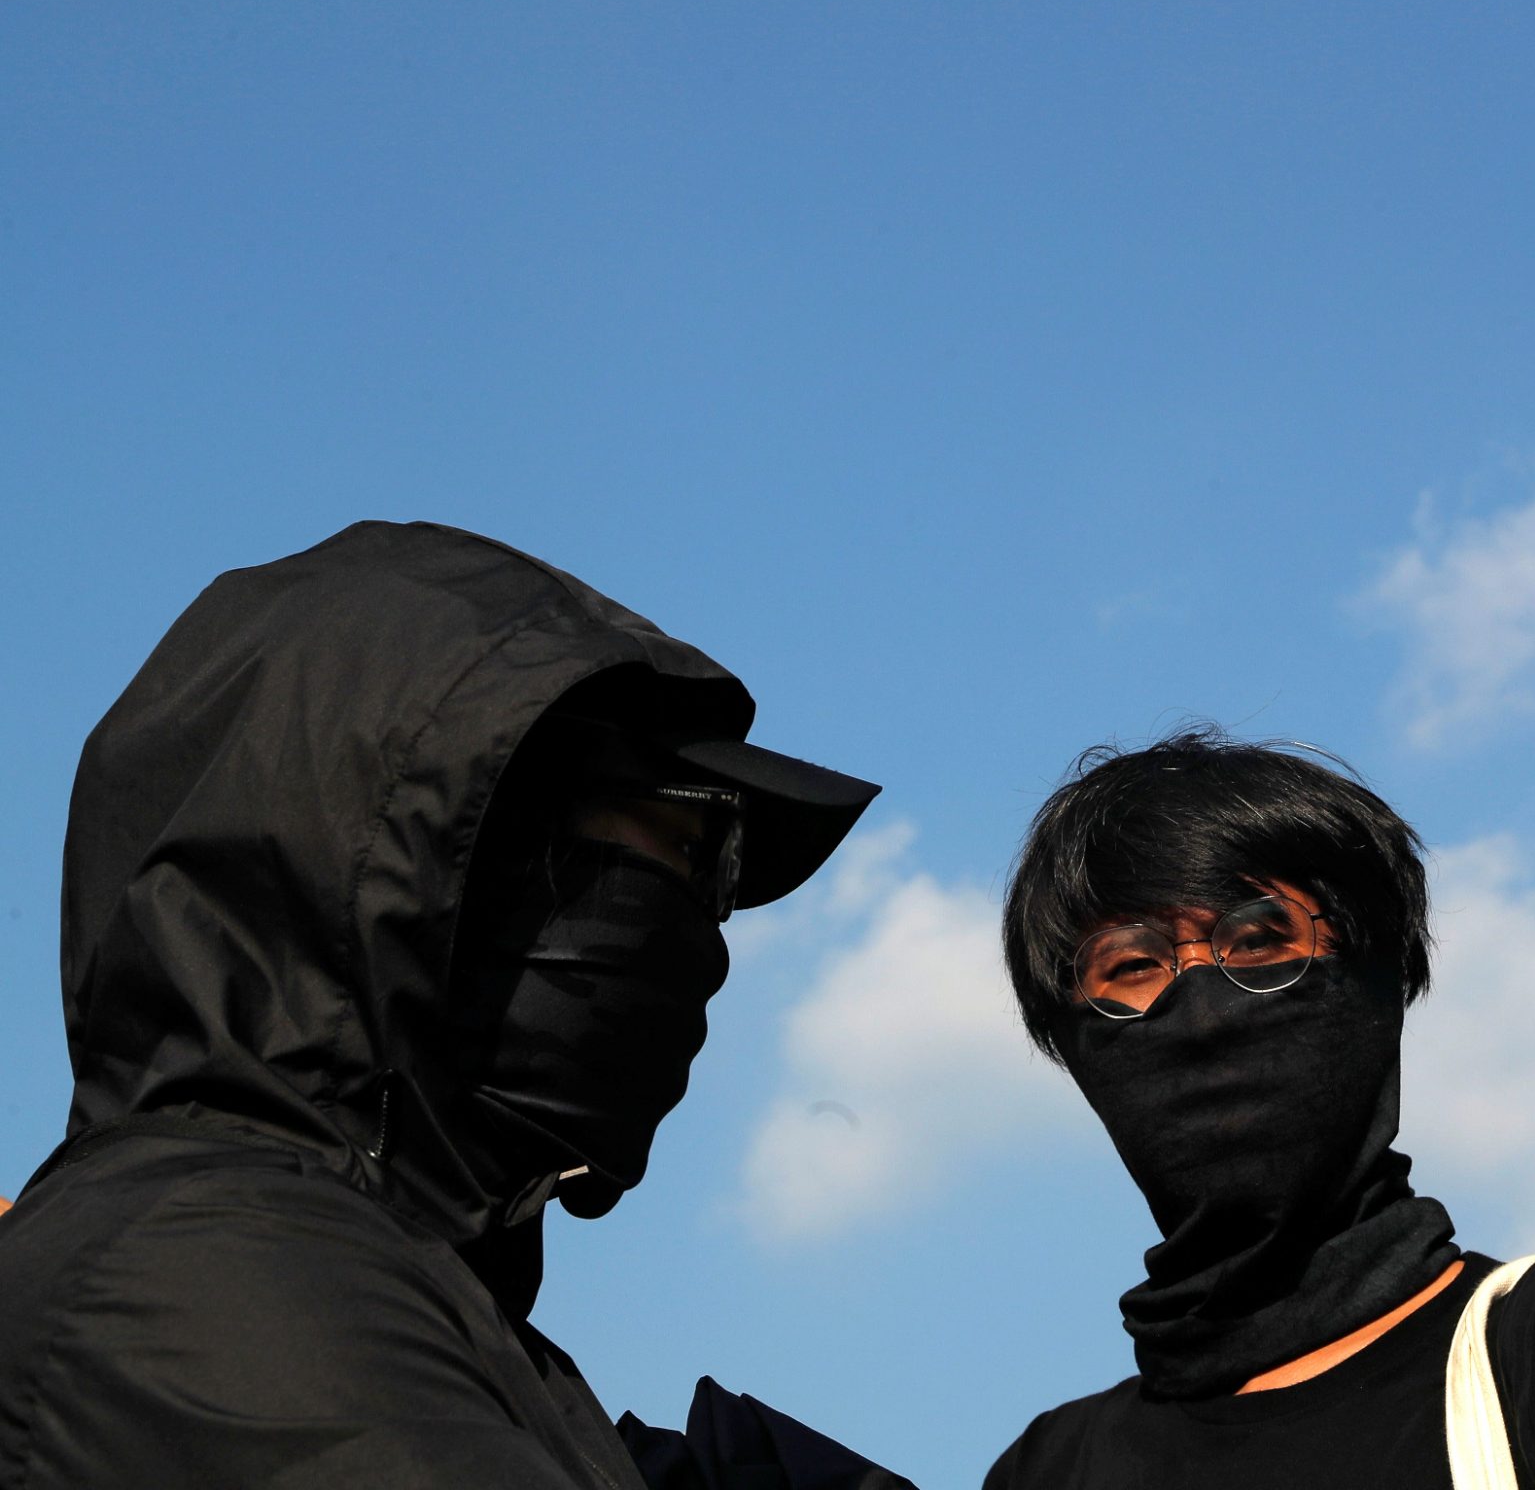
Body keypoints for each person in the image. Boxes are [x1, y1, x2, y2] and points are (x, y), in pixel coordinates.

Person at [0, 521, 889, 1490]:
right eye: (689, 849)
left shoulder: (437, 1323)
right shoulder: (190, 1281)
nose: (707, 936)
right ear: (468, 847)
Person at [986, 727, 1535, 1490]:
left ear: (1381, 985)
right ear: (1072, 1045)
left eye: (1259, 940)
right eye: (1132, 966)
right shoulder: (1053, 1468)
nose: (1203, 1010)